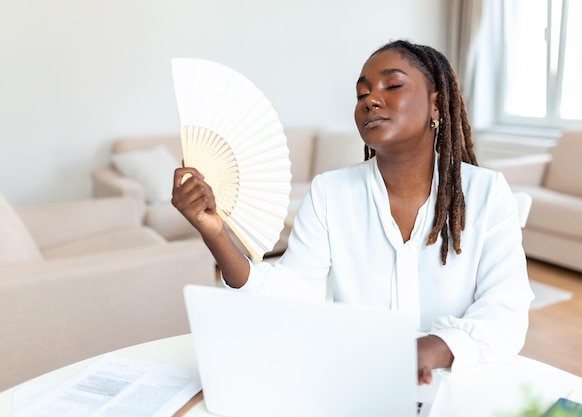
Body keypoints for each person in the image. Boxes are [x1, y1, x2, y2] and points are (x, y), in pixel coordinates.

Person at [171, 39, 534, 385]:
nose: (370, 100)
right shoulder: (330, 192)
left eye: (392, 86)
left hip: (461, 380)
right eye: (362, 94)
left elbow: (506, 312)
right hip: (358, 379)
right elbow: (291, 293)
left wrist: (432, 349)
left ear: (436, 105)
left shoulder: (487, 192)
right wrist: (214, 230)